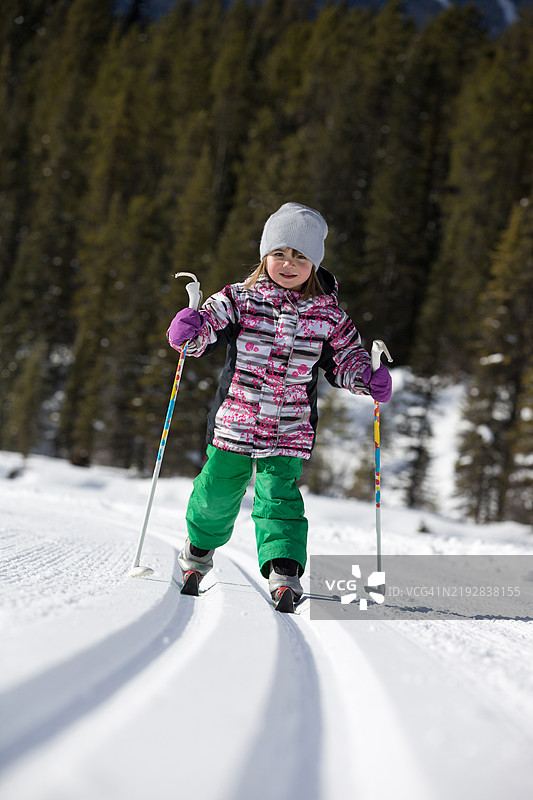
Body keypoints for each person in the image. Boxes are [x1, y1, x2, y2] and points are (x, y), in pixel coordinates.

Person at [167, 202, 392, 610]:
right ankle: (198, 552)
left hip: (290, 429)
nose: (288, 264)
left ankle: (283, 569)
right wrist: (190, 329)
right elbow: (206, 331)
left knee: (279, 498)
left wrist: (367, 378)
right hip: (235, 420)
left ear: (315, 263)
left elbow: (345, 360)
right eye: (280, 253)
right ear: (265, 255)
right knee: (216, 491)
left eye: (300, 257)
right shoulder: (240, 299)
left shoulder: (328, 317)